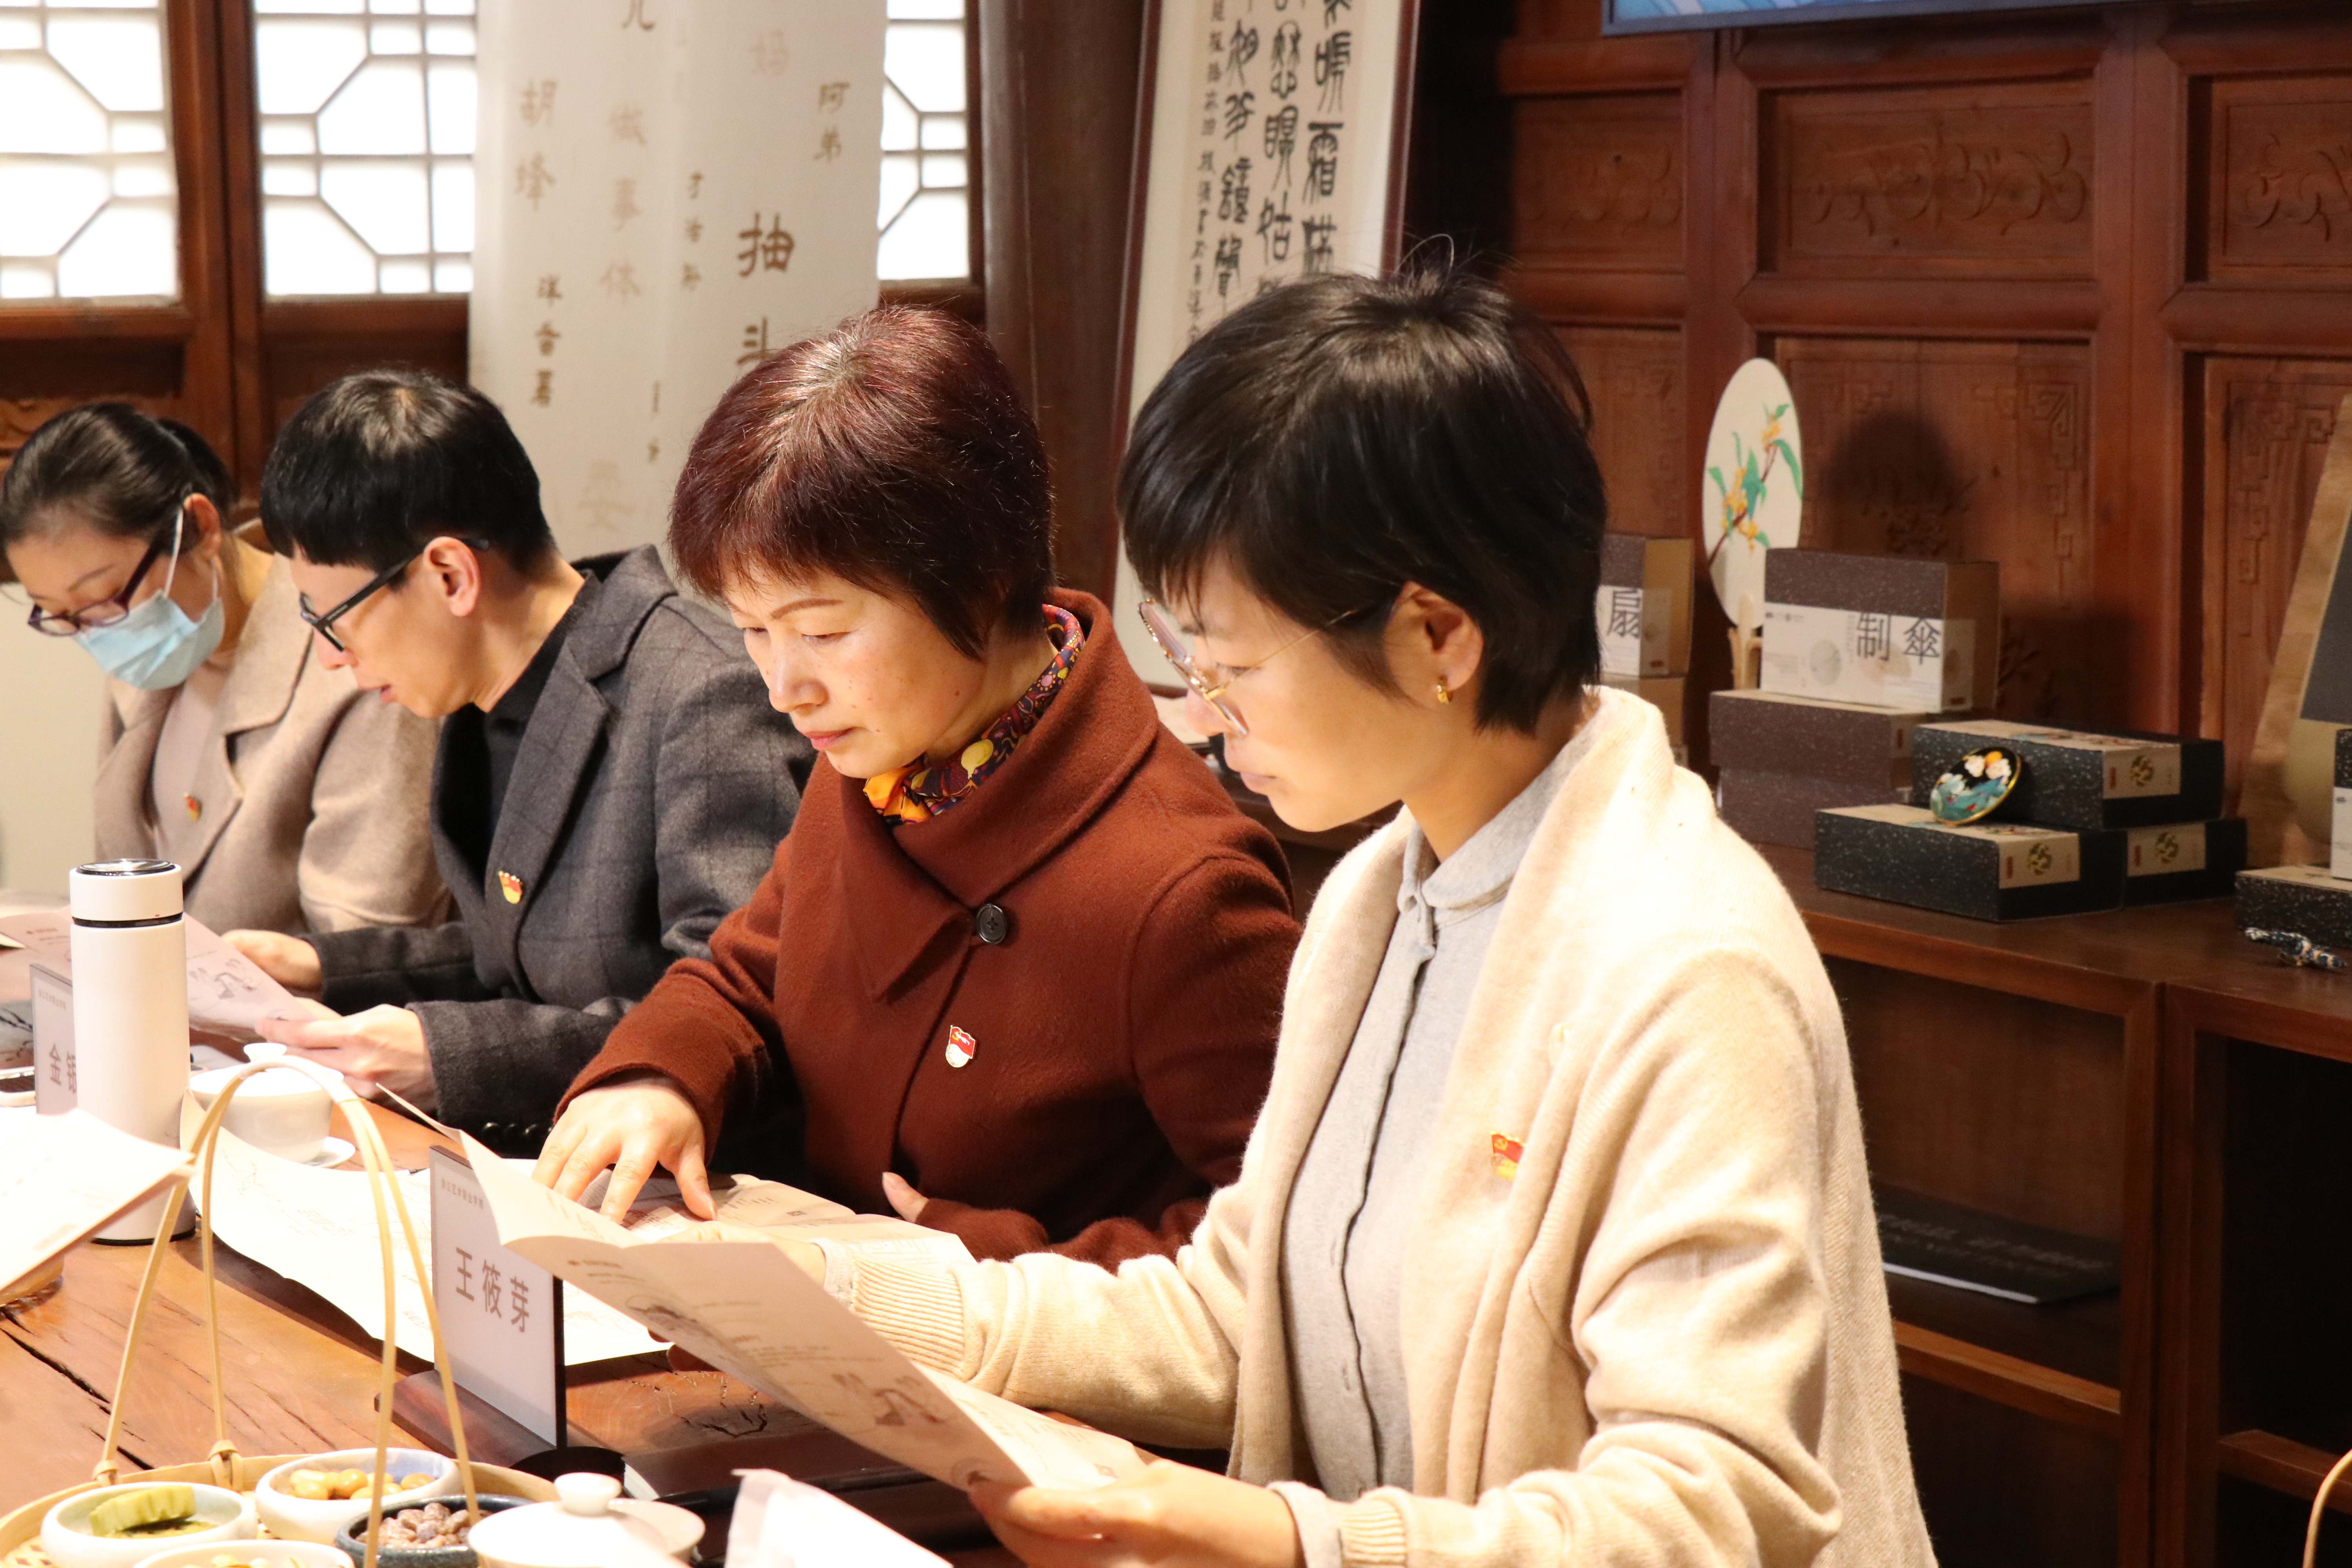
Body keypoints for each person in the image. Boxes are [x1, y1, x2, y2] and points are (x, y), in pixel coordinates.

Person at [733, 271, 1935, 1567]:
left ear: (1436, 637)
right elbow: (1243, 1308)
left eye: (1234, 665)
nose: (1204, 712)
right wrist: (861, 1302)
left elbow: (1713, 1508)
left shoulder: (1686, 968)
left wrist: (1289, 1540)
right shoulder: (1378, 895)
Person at [531, 305, 1299, 1267]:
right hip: (820, 1314)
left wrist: (989, 1256)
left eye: (822, 631)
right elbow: (750, 976)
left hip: (1011, 1353)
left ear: (977, 579)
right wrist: (660, 1077)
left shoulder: (1182, 888)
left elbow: (1274, 1241)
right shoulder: (887, 759)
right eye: (755, 630)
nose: (784, 686)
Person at [223, 370, 810, 1152]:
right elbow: (521, 949)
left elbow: (731, 1011)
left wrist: (451, 1052)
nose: (331, 656)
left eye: (332, 618)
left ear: (450, 575)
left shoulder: (702, 692)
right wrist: (319, 966)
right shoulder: (486, 696)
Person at [0, 404, 443, 936]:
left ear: (202, 528)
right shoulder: (145, 658)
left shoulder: (358, 664)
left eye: (106, 598)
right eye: (62, 615)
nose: (96, 633)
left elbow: (367, 945)